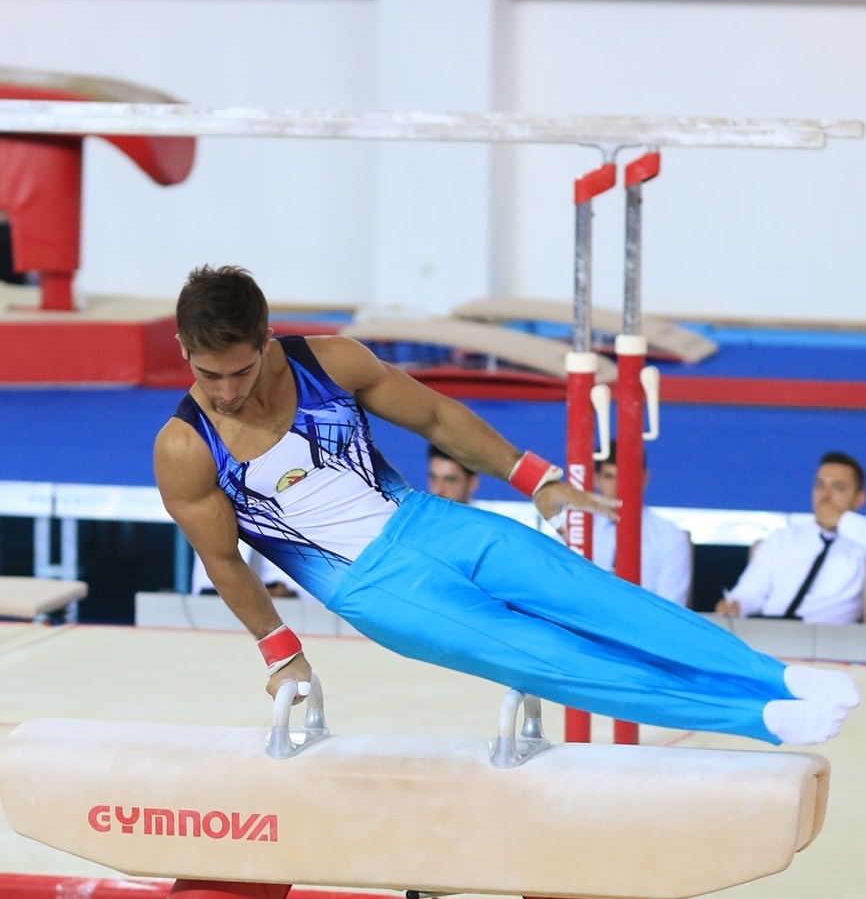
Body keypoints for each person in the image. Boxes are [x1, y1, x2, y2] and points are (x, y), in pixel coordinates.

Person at [152, 265, 858, 747]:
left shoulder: (327, 362)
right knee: (552, 658)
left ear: (266, 339)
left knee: (597, 598)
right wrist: (281, 652)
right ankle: (758, 717)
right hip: (373, 586)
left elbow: (436, 416)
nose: (226, 391)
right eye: (208, 373)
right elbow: (224, 559)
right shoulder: (185, 447)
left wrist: (533, 476)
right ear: (183, 349)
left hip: (429, 519)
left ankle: (777, 676)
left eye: (240, 371)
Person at [714, 451, 866, 624]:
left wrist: (843, 520)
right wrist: (737, 605)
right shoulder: (782, 538)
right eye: (819, 485)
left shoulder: (860, 543)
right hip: (769, 630)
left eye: (838, 487)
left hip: (828, 637)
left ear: (859, 499)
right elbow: (751, 589)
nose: (825, 496)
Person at [592, 442, 692, 607]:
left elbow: (669, 609)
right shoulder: (573, 531)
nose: (617, 486)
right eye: (609, 476)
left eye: (625, 476)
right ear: (596, 479)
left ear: (644, 478)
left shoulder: (671, 537)